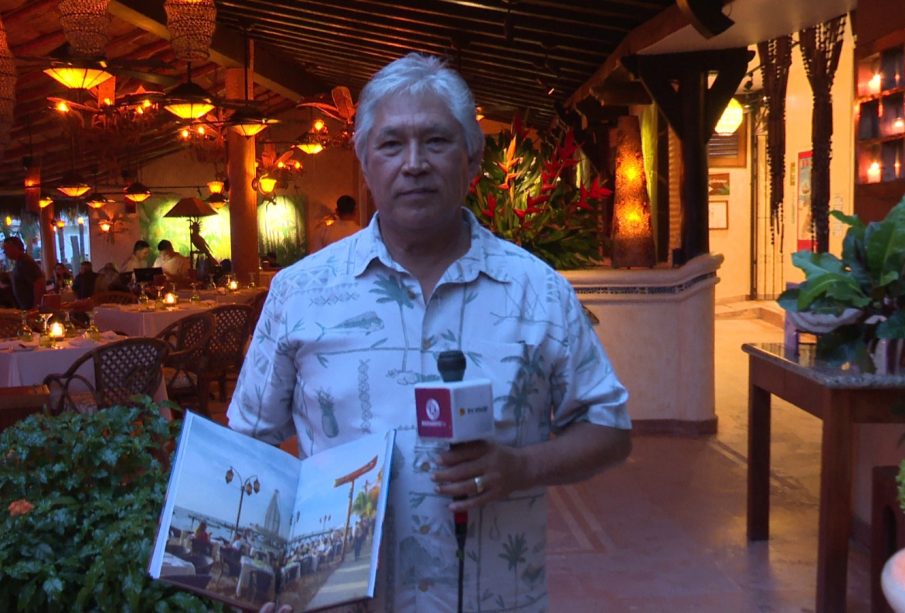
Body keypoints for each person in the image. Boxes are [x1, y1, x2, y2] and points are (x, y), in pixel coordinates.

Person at [234, 53, 631, 613]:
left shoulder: (537, 293)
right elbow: (250, 441)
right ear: (365, 162)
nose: (414, 164)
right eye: (392, 144)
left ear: (473, 160)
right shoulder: (299, 294)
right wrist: (260, 577)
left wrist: (521, 467)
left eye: (437, 142)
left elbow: (609, 428)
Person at [2, 236, 44, 310]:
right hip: (25, 307)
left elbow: (39, 282)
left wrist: (36, 306)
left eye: (6, 249)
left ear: (15, 247)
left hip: (30, 308)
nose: (4, 252)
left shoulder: (25, 262)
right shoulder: (19, 262)